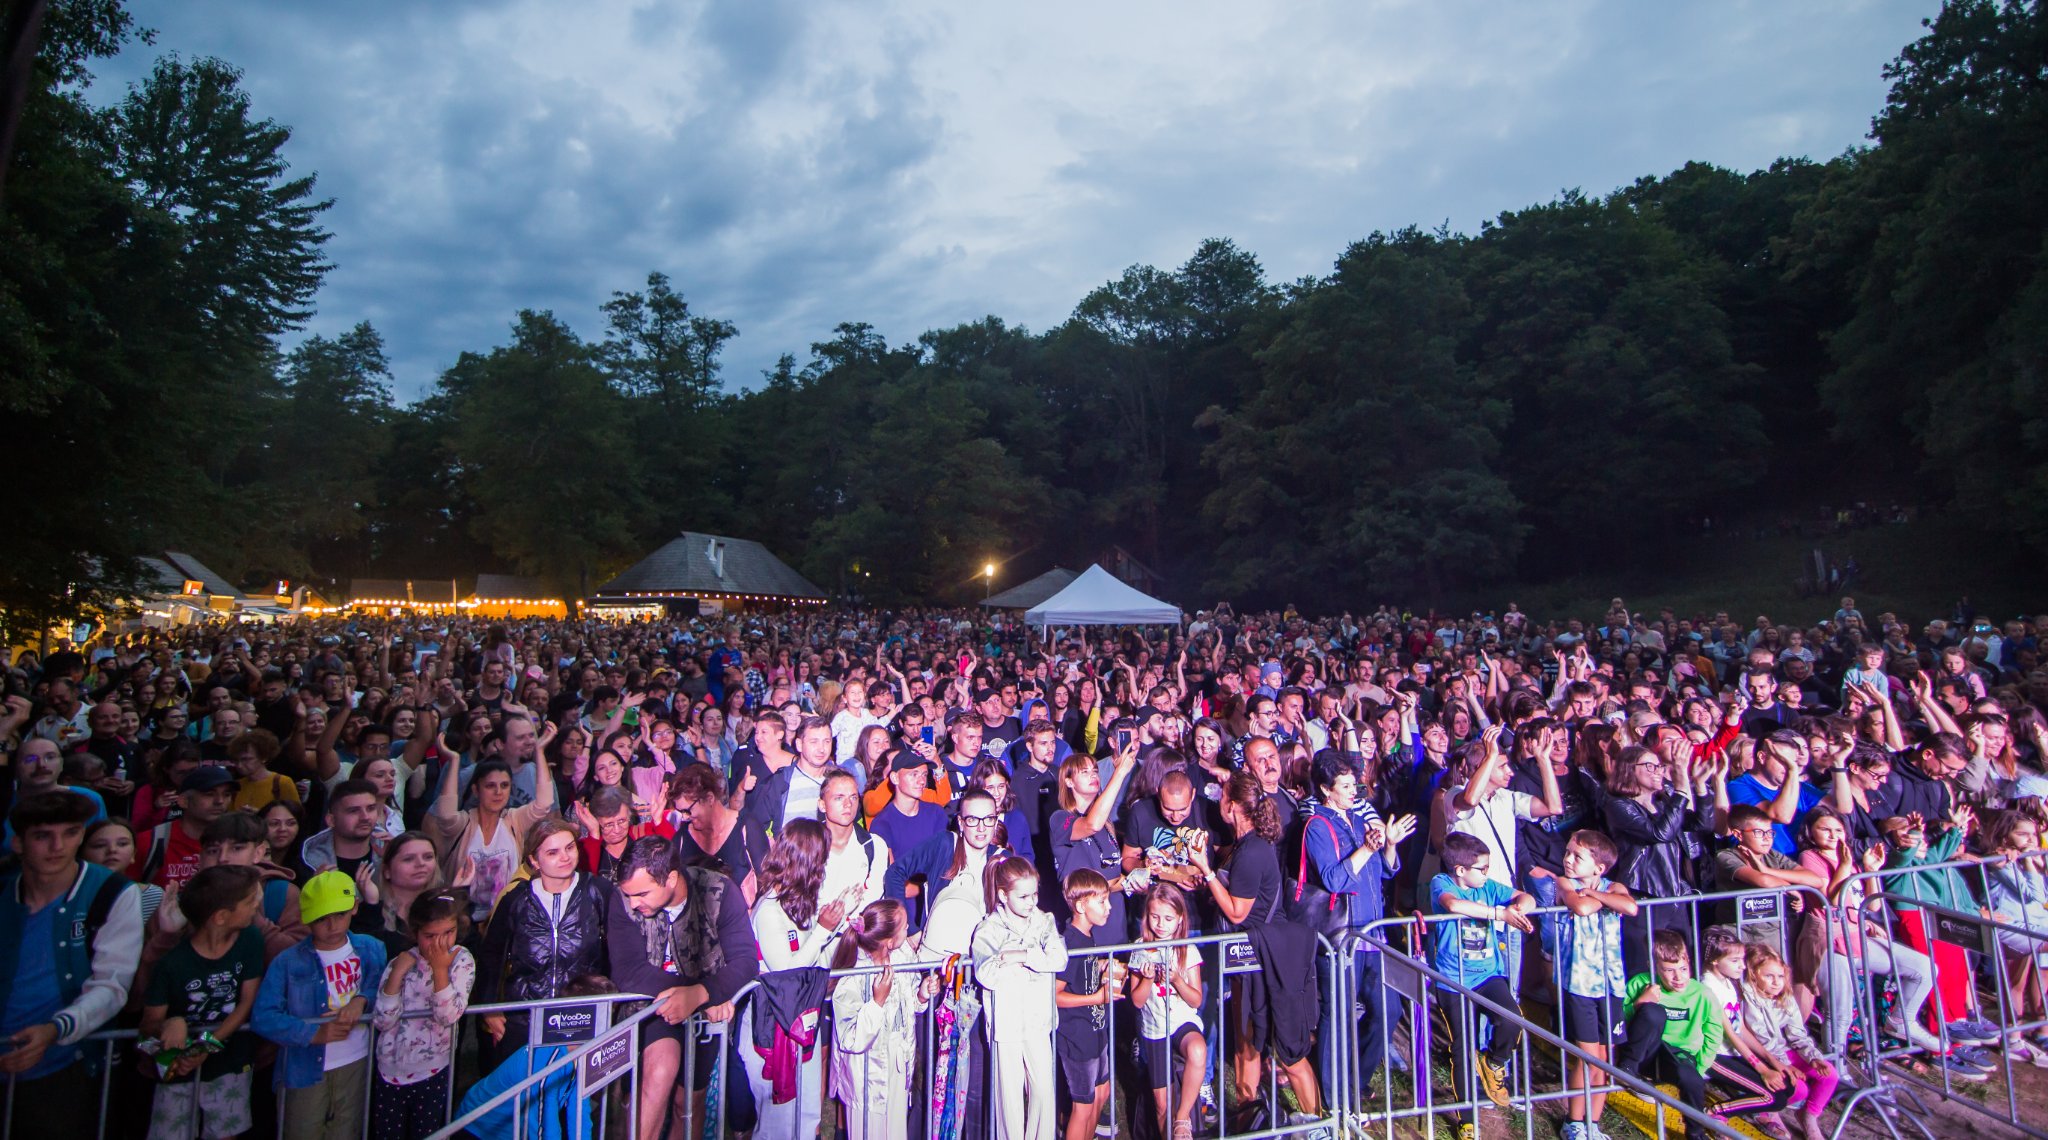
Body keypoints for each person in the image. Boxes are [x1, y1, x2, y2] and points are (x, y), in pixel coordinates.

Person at [0, 793, 144, 1140]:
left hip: (65, 1065)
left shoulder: (113, 892)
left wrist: (55, 1029)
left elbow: (111, 985)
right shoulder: (4, 888)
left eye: (70, 833)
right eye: (42, 835)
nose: (57, 846)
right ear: (19, 842)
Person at [606, 837, 759, 1140]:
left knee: (688, 1101)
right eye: (629, 894)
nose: (634, 902)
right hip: (650, 1007)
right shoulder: (622, 900)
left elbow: (745, 961)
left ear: (671, 879)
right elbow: (628, 971)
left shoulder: (718, 891)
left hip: (705, 1017)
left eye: (642, 893)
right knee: (659, 1071)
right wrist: (700, 992)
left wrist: (702, 995)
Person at [252, 869, 389, 1140]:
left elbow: (380, 986)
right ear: (307, 919)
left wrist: (361, 1001)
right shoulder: (287, 961)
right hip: (303, 1068)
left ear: (354, 908)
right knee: (302, 1131)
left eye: (340, 914)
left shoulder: (372, 948)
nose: (333, 925)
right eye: (322, 918)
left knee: (348, 1131)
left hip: (357, 1060)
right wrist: (315, 1033)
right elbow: (263, 1016)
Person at [139, 864, 266, 1140]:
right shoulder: (171, 964)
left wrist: (207, 1044)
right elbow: (145, 1031)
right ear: (221, 916)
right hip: (175, 1069)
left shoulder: (251, 939)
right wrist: (169, 1027)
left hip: (228, 1063)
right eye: (249, 901)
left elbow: (246, 1004)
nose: (257, 904)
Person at [475, 819, 614, 1069]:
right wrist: (490, 1009)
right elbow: (491, 956)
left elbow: (617, 951)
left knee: (575, 1100)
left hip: (582, 1017)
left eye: (570, 848)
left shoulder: (598, 891)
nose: (565, 857)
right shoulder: (515, 900)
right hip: (525, 1020)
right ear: (534, 861)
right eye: (553, 852)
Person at [1428, 832, 1535, 1140]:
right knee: (1462, 1047)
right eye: (1482, 868)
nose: (1487, 874)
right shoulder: (1442, 883)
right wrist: (1498, 914)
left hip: (1488, 974)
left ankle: (1494, 1062)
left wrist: (1518, 907)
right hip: (1453, 980)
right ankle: (1467, 1118)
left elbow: (1524, 896)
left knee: (1512, 1017)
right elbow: (1452, 905)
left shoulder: (1489, 887)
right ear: (1460, 870)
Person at [746, 819, 845, 1140]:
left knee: (807, 1116)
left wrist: (838, 926)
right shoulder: (769, 910)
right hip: (773, 1030)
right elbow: (786, 972)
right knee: (779, 1122)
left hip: (803, 1023)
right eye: (821, 862)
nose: (824, 869)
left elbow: (814, 960)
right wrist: (823, 931)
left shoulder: (799, 904)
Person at [972, 856, 1067, 1140]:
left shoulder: (1044, 920)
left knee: (1043, 1091)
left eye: (1034, 894)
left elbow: (1059, 958)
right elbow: (986, 972)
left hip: (1037, 1020)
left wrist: (1022, 956)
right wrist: (1026, 962)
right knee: (1009, 1098)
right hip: (1007, 1023)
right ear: (1003, 894)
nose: (1031, 902)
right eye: (1023, 896)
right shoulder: (988, 929)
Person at [369, 892, 474, 1140]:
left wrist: (440, 970)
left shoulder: (461, 960)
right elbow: (382, 1020)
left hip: (432, 1071)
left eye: (447, 933)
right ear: (415, 932)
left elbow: (448, 1015)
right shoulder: (400, 961)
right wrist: (396, 975)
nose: (439, 944)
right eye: (430, 936)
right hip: (390, 1072)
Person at [1555, 829, 1635, 1140]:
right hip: (1580, 985)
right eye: (1568, 853)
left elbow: (1631, 907)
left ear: (1599, 869)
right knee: (1589, 1058)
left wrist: (1599, 895)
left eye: (1577, 856)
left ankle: (1593, 1125)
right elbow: (1582, 907)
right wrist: (1603, 900)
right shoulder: (1564, 883)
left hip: (1611, 985)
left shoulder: (1615, 887)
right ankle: (1573, 1123)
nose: (1568, 860)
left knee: (1605, 1059)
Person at [1610, 929, 1724, 1140]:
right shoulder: (1640, 983)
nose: (1678, 977)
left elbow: (1714, 1032)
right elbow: (1618, 1023)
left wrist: (1700, 1066)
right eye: (1669, 970)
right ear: (1653, 967)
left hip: (1678, 1056)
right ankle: (1626, 1069)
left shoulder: (1702, 994)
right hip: (1646, 1051)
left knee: (1691, 1078)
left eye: (1683, 968)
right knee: (1653, 1012)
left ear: (1689, 961)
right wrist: (1640, 1003)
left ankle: (1695, 1133)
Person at [428, 742, 557, 927]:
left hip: (506, 919)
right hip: (462, 922)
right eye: (490, 786)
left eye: (504, 785)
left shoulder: (514, 821)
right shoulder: (463, 824)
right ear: (475, 790)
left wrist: (539, 751)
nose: (498, 792)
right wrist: (455, 760)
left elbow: (544, 803)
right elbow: (445, 813)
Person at [1694, 926, 1795, 1131]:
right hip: (1714, 1055)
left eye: (1742, 959)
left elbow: (1739, 1027)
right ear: (1715, 960)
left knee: (1786, 1085)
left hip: (1732, 1052)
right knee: (1773, 1098)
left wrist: (1772, 1060)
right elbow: (1729, 1033)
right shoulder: (1708, 986)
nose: (1742, 966)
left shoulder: (1729, 983)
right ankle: (1716, 1113)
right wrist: (1761, 1068)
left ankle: (1745, 1108)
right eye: (1734, 961)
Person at [1127, 883, 1207, 1140]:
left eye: (1168, 918)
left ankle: (1183, 1119)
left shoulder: (1187, 949)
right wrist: (1148, 980)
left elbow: (1196, 1000)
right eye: (1155, 916)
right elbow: (1137, 1001)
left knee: (1197, 1049)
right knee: (1161, 1105)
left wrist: (1177, 981)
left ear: (1180, 919)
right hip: (1154, 1027)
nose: (1161, 924)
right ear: (1146, 916)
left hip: (1182, 1020)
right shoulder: (1139, 949)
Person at [1052, 870, 1125, 1140]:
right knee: (1082, 1106)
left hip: (1096, 1030)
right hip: (1077, 1038)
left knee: (1102, 1093)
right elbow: (1055, 995)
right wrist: (1096, 998)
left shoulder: (1088, 938)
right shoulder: (1070, 944)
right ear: (1081, 906)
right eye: (1102, 901)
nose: (1109, 908)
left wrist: (1103, 966)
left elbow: (1083, 974)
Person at [1742, 942, 1838, 1140]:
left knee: (1829, 1076)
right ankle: (1768, 1108)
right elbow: (1762, 1041)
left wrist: (1813, 1057)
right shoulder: (1749, 999)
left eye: (1780, 976)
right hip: (1764, 1056)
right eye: (1768, 976)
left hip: (1783, 1051)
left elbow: (1797, 1034)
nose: (1776, 982)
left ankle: (1808, 1116)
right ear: (1753, 975)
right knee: (1799, 1089)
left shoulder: (1783, 995)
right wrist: (1785, 1066)